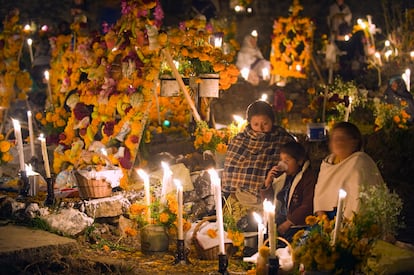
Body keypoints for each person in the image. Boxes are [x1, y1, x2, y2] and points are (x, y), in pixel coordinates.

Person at [222, 101, 294, 230]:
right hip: (241, 201)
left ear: (272, 121)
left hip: (269, 201)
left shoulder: (283, 140)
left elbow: (291, 166)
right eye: (256, 124)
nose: (260, 128)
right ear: (249, 123)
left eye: (265, 123)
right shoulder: (239, 140)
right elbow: (231, 170)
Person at [313, 122, 385, 220]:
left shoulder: (360, 162)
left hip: (349, 221)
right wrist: (323, 220)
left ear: (354, 142)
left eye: (341, 139)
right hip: (325, 220)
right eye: (334, 139)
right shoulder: (327, 163)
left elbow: (359, 203)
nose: (337, 142)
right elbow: (319, 196)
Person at [261, 141, 317, 242]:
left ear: (299, 161)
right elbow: (269, 202)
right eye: (282, 160)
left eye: (287, 160)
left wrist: (289, 222)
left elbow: (308, 205)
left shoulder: (308, 178)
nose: (283, 164)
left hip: (296, 226)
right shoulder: (282, 179)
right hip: (279, 221)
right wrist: (268, 183)